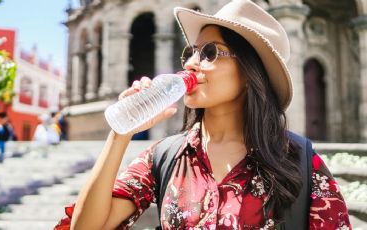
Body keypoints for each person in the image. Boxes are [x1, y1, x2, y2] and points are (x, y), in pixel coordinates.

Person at [56, 0, 351, 229]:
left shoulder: (300, 161)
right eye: (192, 53)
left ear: (250, 73)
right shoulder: (165, 157)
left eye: (210, 53)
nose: (192, 64)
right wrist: (120, 134)